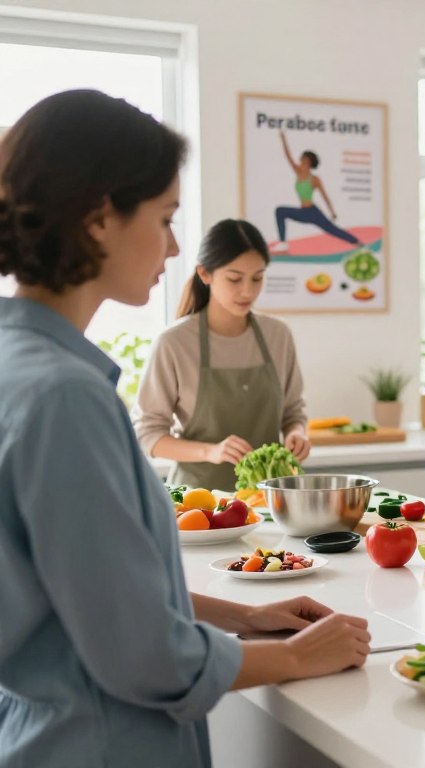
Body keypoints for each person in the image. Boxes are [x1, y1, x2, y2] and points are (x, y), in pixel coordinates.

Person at [0, 89, 369, 767]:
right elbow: (143, 655)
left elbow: (89, 593)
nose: (173, 245)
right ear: (97, 217)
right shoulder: (65, 398)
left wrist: (245, 616)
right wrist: (288, 656)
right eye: (165, 217)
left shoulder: (19, 363)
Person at [134, 218, 311, 492]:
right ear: (205, 274)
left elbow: (292, 411)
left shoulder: (278, 336)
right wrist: (211, 451)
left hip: (270, 501)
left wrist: (296, 433)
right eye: (234, 278)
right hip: (199, 506)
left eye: (257, 278)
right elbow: (148, 435)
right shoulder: (174, 343)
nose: (248, 291)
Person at [272, 128, 359, 252]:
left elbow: (325, 196)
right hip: (303, 212)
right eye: (301, 159)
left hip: (313, 212)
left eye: (303, 159)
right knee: (280, 211)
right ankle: (283, 244)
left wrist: (332, 211)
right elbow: (288, 155)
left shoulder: (314, 179)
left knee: (332, 229)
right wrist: (283, 139)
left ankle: (357, 242)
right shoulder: (298, 172)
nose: (300, 161)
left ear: (308, 162)